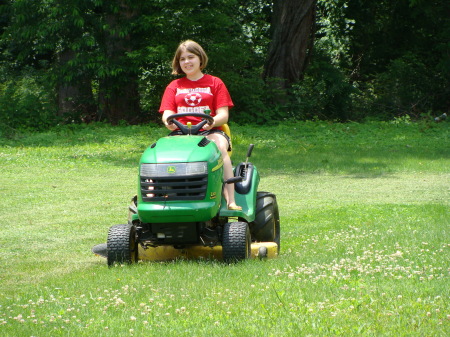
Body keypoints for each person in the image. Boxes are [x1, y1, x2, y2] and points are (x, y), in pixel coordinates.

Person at [159, 40, 242, 211]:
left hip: (210, 131)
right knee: (161, 154)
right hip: (181, 133)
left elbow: (223, 115)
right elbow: (167, 113)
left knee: (218, 148)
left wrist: (209, 122)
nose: (187, 62)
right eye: (182, 59)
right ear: (178, 62)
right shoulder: (174, 86)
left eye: (191, 57)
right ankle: (161, 197)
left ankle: (230, 199)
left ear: (200, 59)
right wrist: (169, 122)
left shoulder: (214, 83)